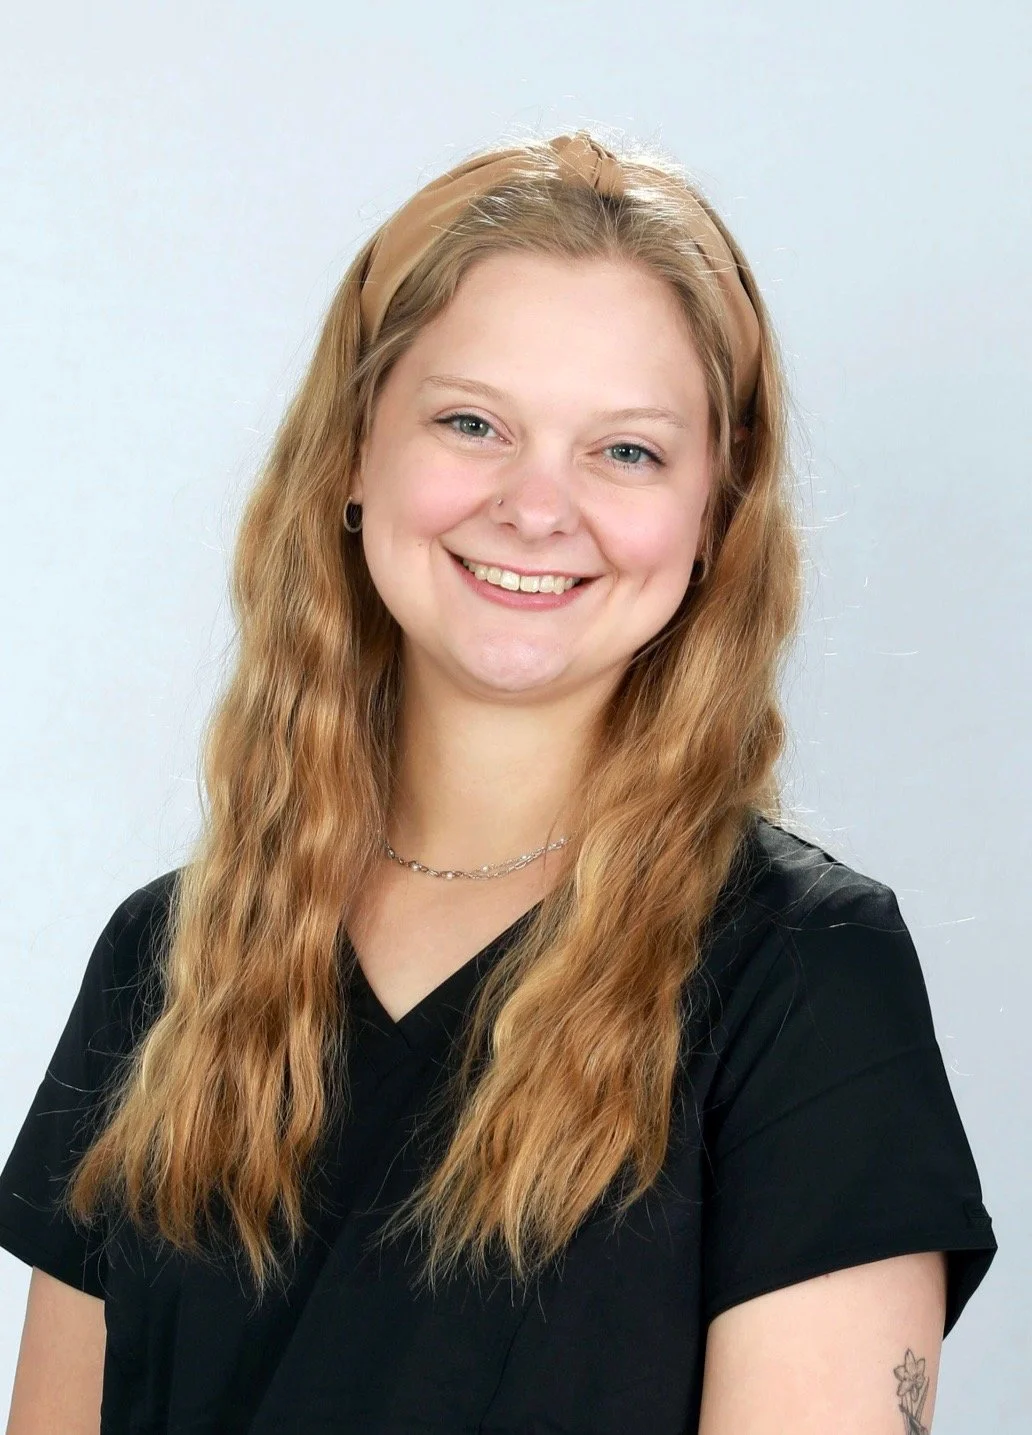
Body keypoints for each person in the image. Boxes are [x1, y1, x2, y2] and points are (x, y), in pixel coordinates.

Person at [0, 131, 996, 1435]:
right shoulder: (167, 957)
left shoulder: (804, 976)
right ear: (354, 451)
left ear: (715, 510)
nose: (537, 506)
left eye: (627, 451)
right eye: (472, 423)